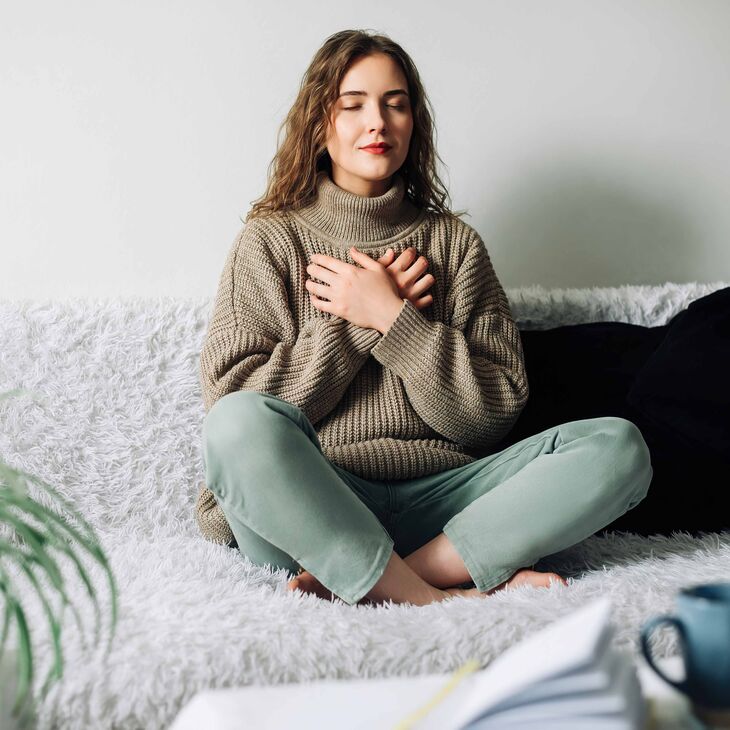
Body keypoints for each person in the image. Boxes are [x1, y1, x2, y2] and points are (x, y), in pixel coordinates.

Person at [197, 29, 653, 607]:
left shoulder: (455, 245)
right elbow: (235, 402)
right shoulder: (270, 239)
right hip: (317, 510)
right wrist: (354, 324)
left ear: (415, 122)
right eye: (353, 103)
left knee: (620, 448)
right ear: (319, 122)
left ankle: (396, 580)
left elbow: (488, 418)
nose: (378, 122)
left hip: (452, 506)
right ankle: (436, 596)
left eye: (396, 103)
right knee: (234, 424)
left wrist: (397, 321)